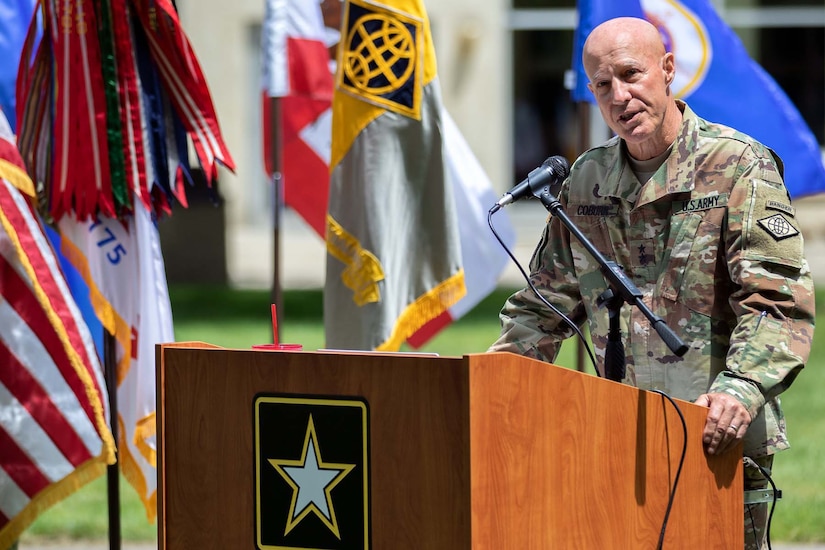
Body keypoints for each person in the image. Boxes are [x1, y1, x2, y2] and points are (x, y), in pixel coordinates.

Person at [489, 17, 815, 549]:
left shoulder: (738, 167)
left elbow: (776, 302)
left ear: (667, 70)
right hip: (618, 439)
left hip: (716, 440)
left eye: (631, 74)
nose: (620, 95)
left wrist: (741, 389)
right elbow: (543, 308)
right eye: (602, 84)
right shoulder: (586, 181)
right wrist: (490, 383)